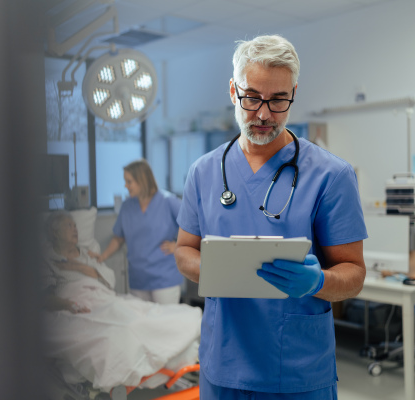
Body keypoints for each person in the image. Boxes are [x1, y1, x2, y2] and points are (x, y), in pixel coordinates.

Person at [174, 35, 368, 399]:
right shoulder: (203, 172)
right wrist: (222, 271)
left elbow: (353, 274)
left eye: (278, 100)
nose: (263, 114)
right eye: (251, 97)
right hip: (223, 365)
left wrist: (317, 282)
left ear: (294, 93)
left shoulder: (331, 176)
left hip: (297, 370)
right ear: (233, 91)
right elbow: (184, 250)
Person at [41, 211, 201, 392]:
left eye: (75, 225)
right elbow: (44, 297)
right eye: (68, 225)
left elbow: (108, 280)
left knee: (144, 313)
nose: (75, 229)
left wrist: (80, 267)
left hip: (105, 297)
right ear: (55, 232)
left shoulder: (86, 254)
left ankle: (179, 345)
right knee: (124, 327)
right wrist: (68, 305)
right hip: (77, 303)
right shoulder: (47, 259)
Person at [95, 159, 184, 304]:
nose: (125, 185)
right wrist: (101, 257)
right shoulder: (127, 206)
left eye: (129, 181)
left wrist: (178, 246)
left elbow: (192, 226)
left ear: (142, 180)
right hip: (138, 279)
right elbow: (118, 238)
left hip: (164, 279)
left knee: (165, 323)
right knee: (140, 324)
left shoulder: (168, 201)